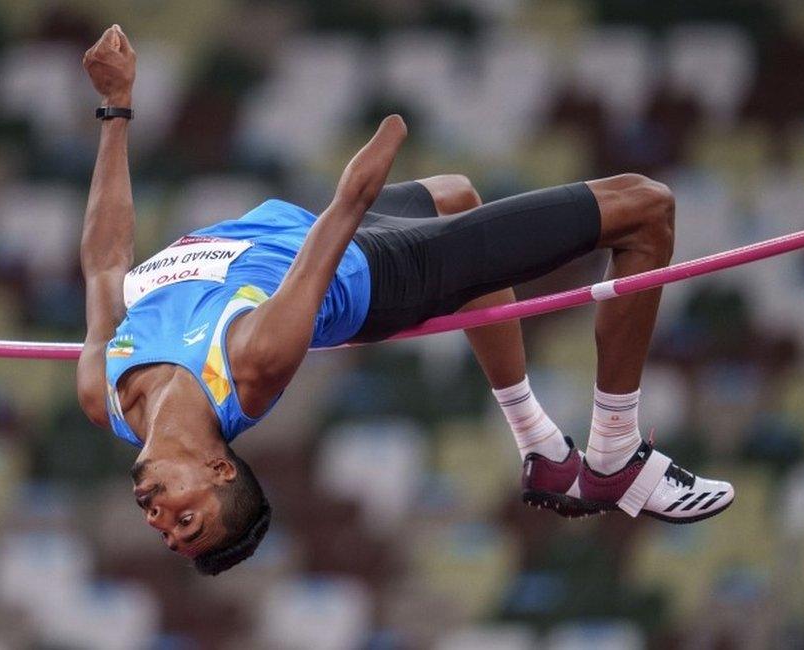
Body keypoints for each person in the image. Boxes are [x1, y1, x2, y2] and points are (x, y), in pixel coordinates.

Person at [76, 26, 734, 576]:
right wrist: (382, 143)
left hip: (292, 232)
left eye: (171, 530)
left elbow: (106, 261)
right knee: (646, 208)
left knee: (454, 193)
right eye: (185, 521)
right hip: (370, 268)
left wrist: (117, 106)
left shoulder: (102, 395)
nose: (160, 520)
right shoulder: (249, 364)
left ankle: (542, 450)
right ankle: (616, 453)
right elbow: (335, 232)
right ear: (217, 467)